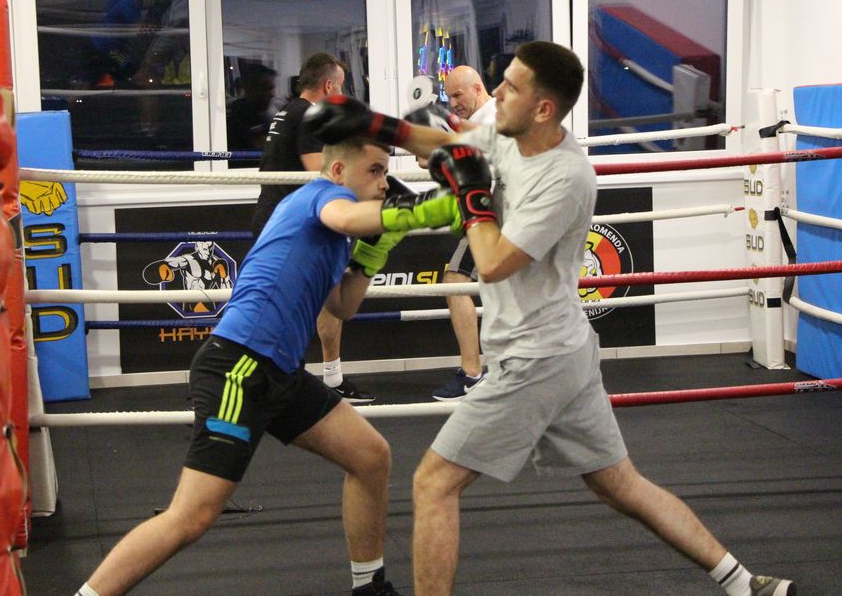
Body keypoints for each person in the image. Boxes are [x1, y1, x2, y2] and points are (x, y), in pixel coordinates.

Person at [303, 42, 795, 596]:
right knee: (620, 485)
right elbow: (447, 144)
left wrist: (471, 195)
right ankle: (744, 583)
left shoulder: (565, 178)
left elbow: (493, 262)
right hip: (565, 352)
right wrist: (375, 124)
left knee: (433, 483)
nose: (496, 92)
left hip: (533, 358)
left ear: (543, 108)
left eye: (511, 87)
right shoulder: (509, 134)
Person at [76, 136, 462, 596]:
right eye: (374, 171)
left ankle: (368, 587)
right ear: (339, 171)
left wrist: (373, 253)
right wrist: (413, 211)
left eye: (386, 172)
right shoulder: (321, 198)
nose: (383, 183)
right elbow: (345, 216)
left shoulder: (338, 235)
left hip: (280, 373)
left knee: (370, 456)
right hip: (239, 367)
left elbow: (342, 306)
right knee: (192, 515)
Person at [251, 53, 375, 403]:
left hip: (286, 220)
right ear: (329, 86)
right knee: (292, 306)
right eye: (341, 87)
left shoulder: (289, 111)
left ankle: (328, 378)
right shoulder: (308, 115)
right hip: (290, 227)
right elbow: (321, 174)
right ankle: (265, 382)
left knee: (322, 297)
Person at [430, 66, 497, 401]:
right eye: (449, 96)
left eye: (458, 95)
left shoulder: (491, 119)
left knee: (456, 281)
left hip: (494, 217)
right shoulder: (480, 120)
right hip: (499, 215)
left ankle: (472, 374)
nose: (454, 102)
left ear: (478, 88)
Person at [226, 64, 277, 154]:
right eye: (266, 88)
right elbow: (264, 145)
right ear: (250, 88)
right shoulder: (241, 114)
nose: (272, 94)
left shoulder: (261, 113)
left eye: (271, 88)